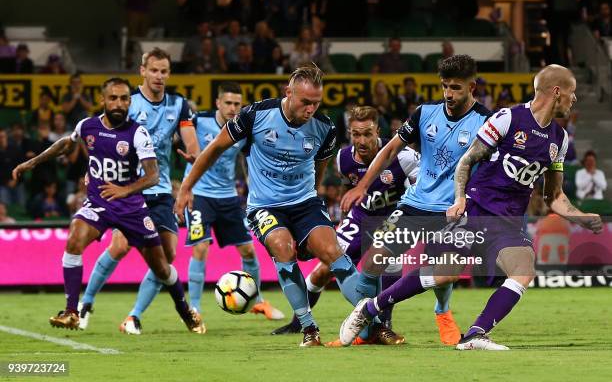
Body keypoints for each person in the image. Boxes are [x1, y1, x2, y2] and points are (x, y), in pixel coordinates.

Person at [339, 64, 603, 350]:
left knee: (523, 269)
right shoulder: (507, 118)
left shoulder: (559, 139)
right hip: (475, 211)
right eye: (572, 93)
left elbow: (554, 195)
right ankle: (370, 309)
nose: (574, 99)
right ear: (557, 92)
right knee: (445, 273)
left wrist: (581, 217)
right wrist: (460, 198)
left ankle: (475, 334)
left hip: (508, 222)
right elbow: (466, 161)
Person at [176, 65, 364, 347]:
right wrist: (186, 187)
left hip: (304, 202)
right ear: (288, 92)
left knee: (332, 252)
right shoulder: (256, 115)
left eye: (316, 103)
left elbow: (319, 168)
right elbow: (214, 148)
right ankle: (309, 329)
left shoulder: (325, 128)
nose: (311, 108)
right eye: (305, 102)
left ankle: (371, 319)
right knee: (283, 249)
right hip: (265, 206)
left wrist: (313, 201)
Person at [11, 77, 203, 333]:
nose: (119, 103)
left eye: (124, 98)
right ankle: (71, 312)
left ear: (129, 102)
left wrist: (124, 190)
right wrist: (31, 163)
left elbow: (153, 175)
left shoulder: (138, 133)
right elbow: (65, 144)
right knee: (74, 240)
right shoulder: (87, 126)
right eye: (113, 98)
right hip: (99, 204)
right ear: (102, 100)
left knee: (162, 266)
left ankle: (184, 310)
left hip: (132, 209)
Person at [340, 55, 492, 346]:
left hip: (453, 209)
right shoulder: (424, 113)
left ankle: (443, 312)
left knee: (444, 270)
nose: (448, 94)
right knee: (373, 262)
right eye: (445, 86)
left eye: (456, 88)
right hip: (414, 204)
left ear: (472, 87)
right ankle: (370, 328)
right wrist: (362, 185)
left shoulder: (486, 122)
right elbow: (389, 150)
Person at [271, 105, 419, 346]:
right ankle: (299, 322)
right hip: (361, 217)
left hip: (393, 216)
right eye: (355, 134)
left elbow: (419, 191)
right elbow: (347, 188)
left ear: (377, 131)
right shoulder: (343, 158)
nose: (361, 140)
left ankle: (384, 322)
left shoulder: (403, 157)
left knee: (386, 262)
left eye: (367, 134)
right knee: (323, 269)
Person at [77, 48, 199, 335]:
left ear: (169, 74)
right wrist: (90, 170)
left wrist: (193, 157)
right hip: (128, 188)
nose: (159, 76)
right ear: (142, 70)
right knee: (119, 246)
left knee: (166, 257)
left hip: (160, 188)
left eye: (164, 71)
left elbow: (192, 145)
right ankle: (86, 304)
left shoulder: (179, 105)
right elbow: (97, 135)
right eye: (154, 70)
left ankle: (133, 317)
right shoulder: (125, 101)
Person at [184, 81, 284, 323]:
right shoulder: (198, 121)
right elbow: (182, 140)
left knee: (249, 250)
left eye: (237, 104)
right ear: (218, 102)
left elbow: (245, 159)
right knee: (200, 247)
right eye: (227, 102)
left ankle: (257, 301)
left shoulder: (242, 129)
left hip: (228, 197)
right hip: (200, 196)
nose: (232, 108)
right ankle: (194, 309)